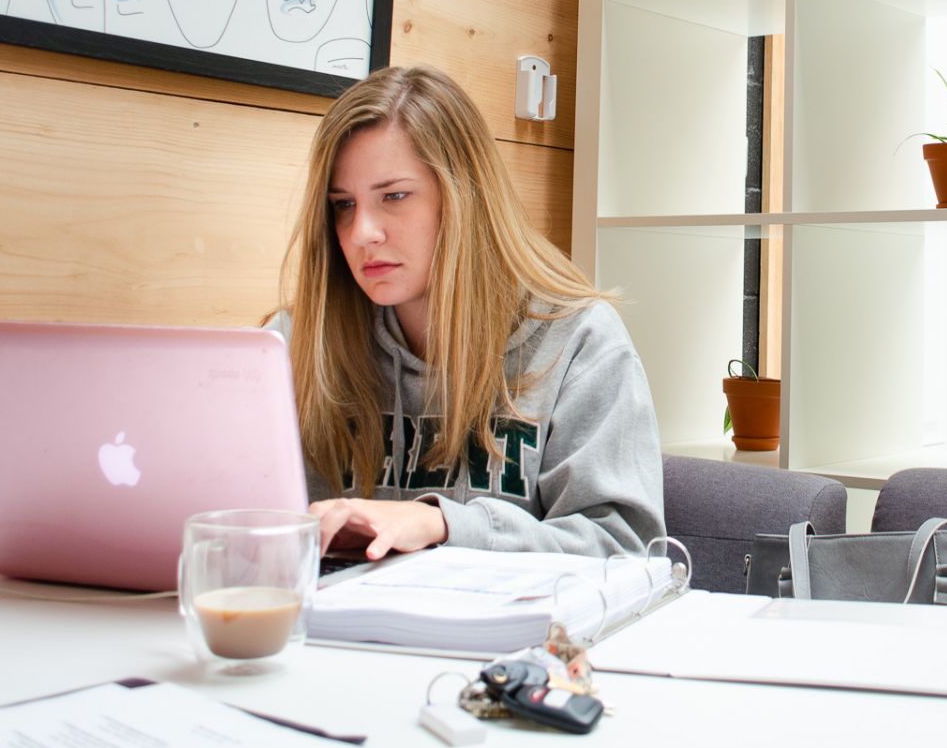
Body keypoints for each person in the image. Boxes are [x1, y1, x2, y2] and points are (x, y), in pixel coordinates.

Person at [272, 64, 663, 561]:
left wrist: (444, 525)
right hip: (329, 610)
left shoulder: (578, 340)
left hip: (518, 615)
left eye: (394, 196)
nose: (361, 232)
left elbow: (627, 552)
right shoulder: (294, 342)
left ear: (463, 198)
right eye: (343, 204)